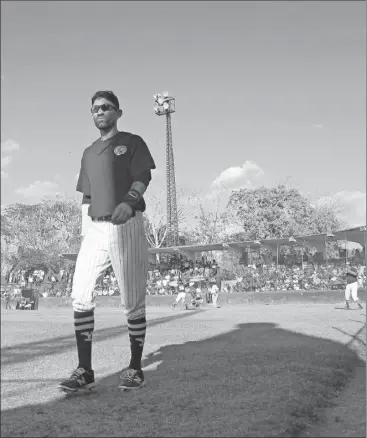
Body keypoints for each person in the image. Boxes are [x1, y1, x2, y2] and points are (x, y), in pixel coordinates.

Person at [57, 90, 156, 394]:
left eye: (106, 107)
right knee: (80, 295)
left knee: (132, 299)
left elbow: (143, 176)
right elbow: (86, 197)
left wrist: (130, 199)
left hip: (126, 225)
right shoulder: (88, 153)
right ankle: (85, 371)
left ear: (118, 112)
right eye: (95, 109)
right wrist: (84, 230)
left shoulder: (132, 141)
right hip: (95, 229)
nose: (100, 112)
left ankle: (135, 368)